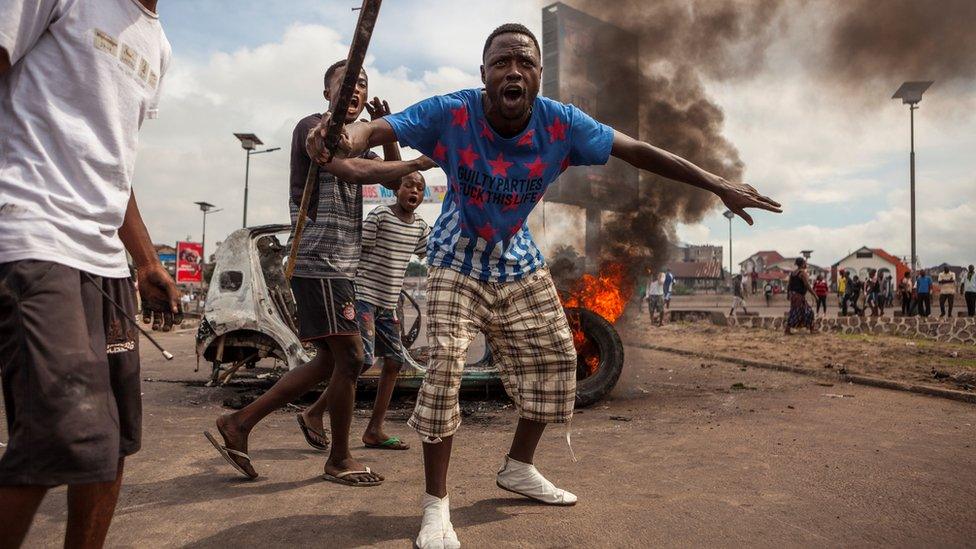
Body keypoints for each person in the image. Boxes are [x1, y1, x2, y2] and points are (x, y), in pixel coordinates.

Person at [314, 23, 781, 548]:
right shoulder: (454, 112)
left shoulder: (562, 124)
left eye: (525, 63)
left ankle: (518, 466)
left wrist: (719, 185)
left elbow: (640, 150)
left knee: (560, 360)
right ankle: (435, 506)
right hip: (455, 255)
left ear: (538, 75)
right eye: (501, 63)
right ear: (484, 74)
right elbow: (371, 134)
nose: (513, 71)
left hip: (516, 257)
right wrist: (340, 135)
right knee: (446, 361)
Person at [0, 2, 181, 547]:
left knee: (113, 444)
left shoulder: (159, 44)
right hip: (30, 230)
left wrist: (146, 261)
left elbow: (111, 161)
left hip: (105, 262)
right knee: (64, 429)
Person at [205, 61, 435, 485]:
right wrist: (421, 160)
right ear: (326, 91)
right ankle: (339, 459)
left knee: (332, 359)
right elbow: (356, 171)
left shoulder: (356, 137)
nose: (355, 89)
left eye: (362, 84)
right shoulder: (315, 129)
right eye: (346, 82)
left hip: (340, 265)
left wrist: (390, 134)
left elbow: (385, 181)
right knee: (352, 357)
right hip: (320, 260)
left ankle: (242, 422)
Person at [354, 171, 431, 450]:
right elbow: (359, 253)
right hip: (364, 296)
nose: (414, 190)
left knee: (395, 361)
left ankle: (374, 429)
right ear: (395, 190)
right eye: (408, 184)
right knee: (361, 360)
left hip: (388, 303)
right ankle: (314, 412)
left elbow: (431, 253)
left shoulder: (420, 227)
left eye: (420, 188)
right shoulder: (379, 216)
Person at [785, 258, 816, 334]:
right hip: (798, 296)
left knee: (801, 312)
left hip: (794, 295)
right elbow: (807, 285)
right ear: (802, 264)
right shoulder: (802, 273)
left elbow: (789, 285)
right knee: (799, 312)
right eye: (805, 263)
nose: (806, 265)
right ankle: (787, 330)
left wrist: (788, 294)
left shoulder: (793, 273)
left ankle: (811, 329)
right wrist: (815, 294)